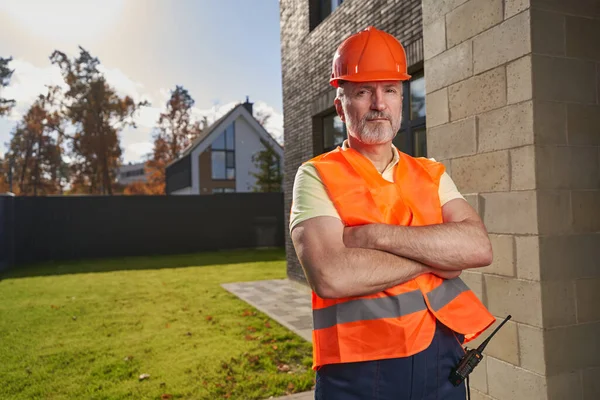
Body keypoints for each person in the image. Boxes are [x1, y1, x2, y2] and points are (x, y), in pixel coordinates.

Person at [289, 26, 496, 400]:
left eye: (390, 91)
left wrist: (373, 236)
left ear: (402, 100)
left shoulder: (430, 172)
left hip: (444, 352)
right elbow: (332, 275)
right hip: (359, 368)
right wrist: (438, 257)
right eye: (364, 91)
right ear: (340, 107)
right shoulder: (316, 175)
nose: (379, 104)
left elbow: (478, 247)